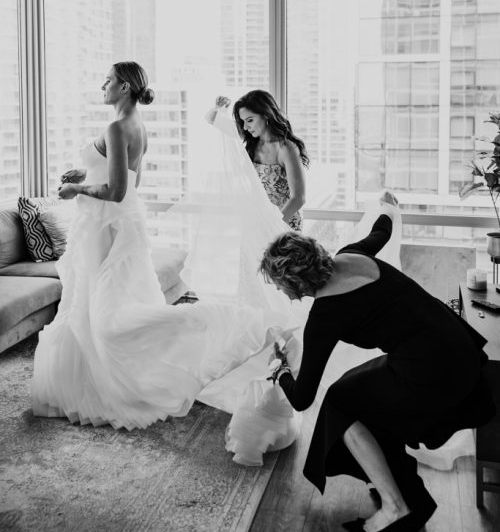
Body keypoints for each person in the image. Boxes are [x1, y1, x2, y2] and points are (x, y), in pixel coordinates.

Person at [31, 62, 298, 439]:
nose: (102, 85)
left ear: (124, 87)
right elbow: (131, 179)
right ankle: (96, 376)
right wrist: (86, 177)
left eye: (107, 80)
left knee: (104, 316)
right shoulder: (138, 127)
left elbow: (118, 191)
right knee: (103, 309)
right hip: (119, 226)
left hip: (105, 227)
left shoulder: (116, 126)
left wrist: (76, 190)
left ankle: (230, 324)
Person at [259, 199, 495, 532]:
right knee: (351, 391)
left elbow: (302, 398)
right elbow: (382, 227)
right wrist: (387, 204)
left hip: (432, 371)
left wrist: (281, 372)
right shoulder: (353, 253)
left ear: (294, 283)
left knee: (339, 403)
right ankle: (396, 485)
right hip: (459, 346)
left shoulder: (325, 316)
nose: (282, 293)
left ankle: (395, 506)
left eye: (280, 285)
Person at [207, 90, 307, 230]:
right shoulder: (252, 140)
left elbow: (298, 198)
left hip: (283, 224)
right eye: (243, 122)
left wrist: (272, 225)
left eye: (250, 120)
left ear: (266, 115)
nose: (245, 127)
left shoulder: (286, 148)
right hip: (257, 222)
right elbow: (211, 119)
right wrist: (220, 107)